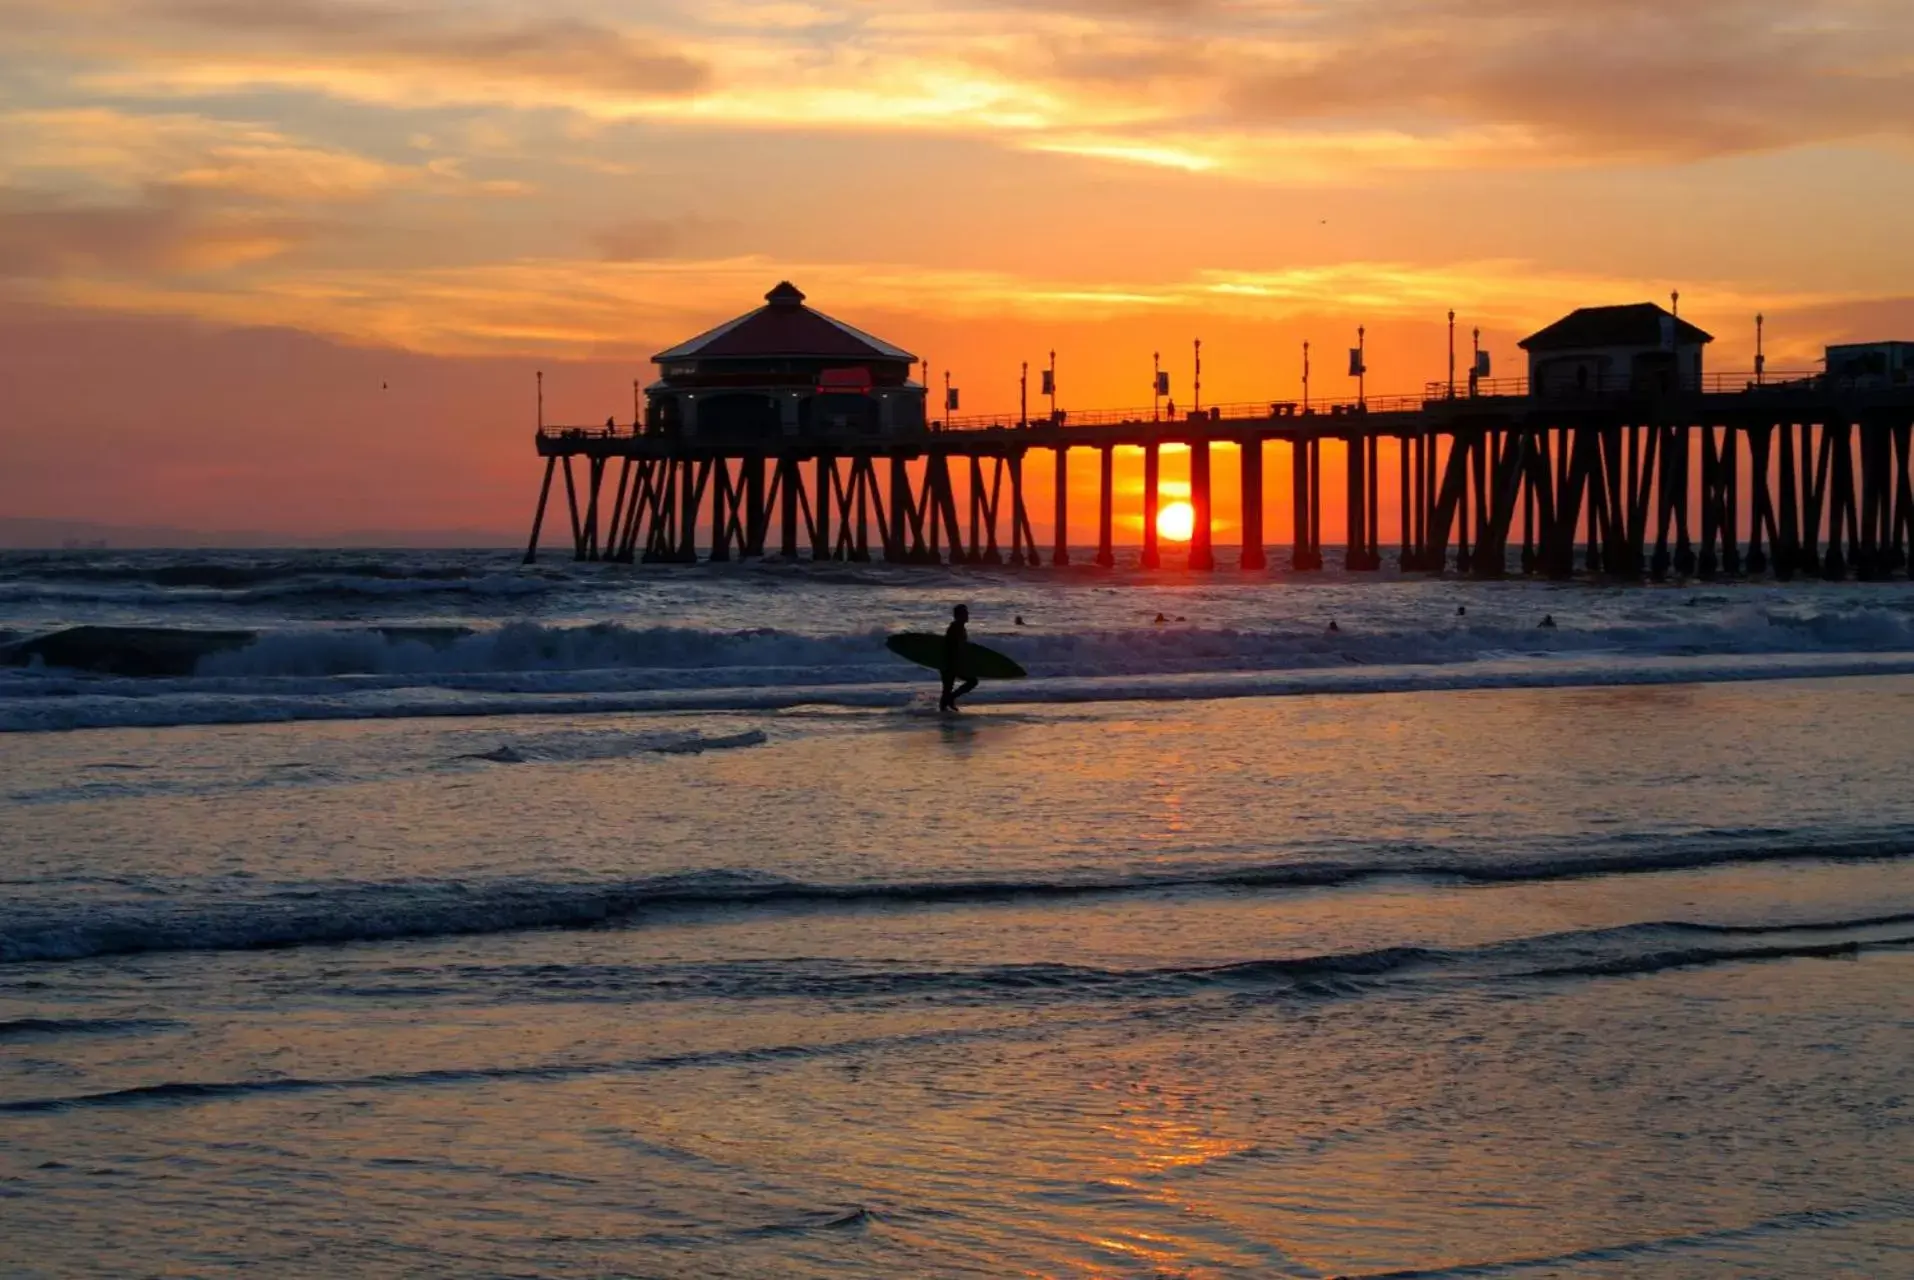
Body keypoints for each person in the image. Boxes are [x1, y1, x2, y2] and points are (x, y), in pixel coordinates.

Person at [940, 604, 977, 713]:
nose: (967, 615)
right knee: (971, 682)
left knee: (948, 689)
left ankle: (948, 703)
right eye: (965, 613)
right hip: (949, 663)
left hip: (952, 663)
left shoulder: (959, 627)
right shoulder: (955, 627)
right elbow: (952, 646)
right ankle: (947, 704)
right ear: (958, 615)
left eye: (967, 613)